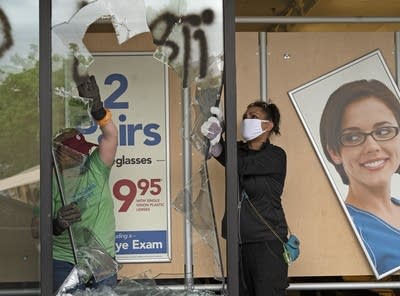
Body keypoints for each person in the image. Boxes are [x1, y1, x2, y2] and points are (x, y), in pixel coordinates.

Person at [201, 101, 289, 295]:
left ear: (268, 125)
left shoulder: (275, 156)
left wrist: (220, 144)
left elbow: (240, 164)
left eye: (254, 117)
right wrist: (218, 142)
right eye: (245, 117)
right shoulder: (237, 151)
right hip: (238, 242)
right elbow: (230, 158)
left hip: (266, 242)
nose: (246, 120)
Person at [319, 79, 400, 276]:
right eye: (353, 137)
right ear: (334, 152)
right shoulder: (345, 227)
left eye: (383, 131)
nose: (372, 146)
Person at [52, 74, 118, 292]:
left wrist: (98, 110)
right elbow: (34, 228)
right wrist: (57, 224)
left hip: (102, 259)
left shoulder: (96, 167)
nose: (82, 157)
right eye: (75, 154)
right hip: (64, 260)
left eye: (83, 152)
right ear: (60, 155)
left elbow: (110, 137)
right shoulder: (49, 181)